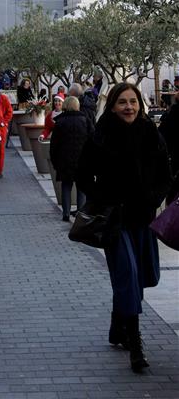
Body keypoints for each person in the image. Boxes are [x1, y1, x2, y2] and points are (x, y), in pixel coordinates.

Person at [76, 82, 171, 372]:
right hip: (115, 222)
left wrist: (154, 198)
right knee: (128, 276)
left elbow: (165, 173)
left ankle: (118, 327)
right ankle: (135, 343)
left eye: (133, 102)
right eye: (122, 102)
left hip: (142, 219)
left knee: (144, 276)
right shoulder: (101, 135)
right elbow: (82, 174)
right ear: (113, 105)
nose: (129, 107)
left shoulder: (150, 133)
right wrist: (102, 199)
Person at [49, 96, 91, 221]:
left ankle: (66, 213)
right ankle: (81, 213)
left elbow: (54, 144)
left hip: (64, 161)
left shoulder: (60, 122)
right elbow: (92, 140)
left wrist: (55, 162)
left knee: (66, 186)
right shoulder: (85, 120)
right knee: (81, 188)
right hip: (83, 160)